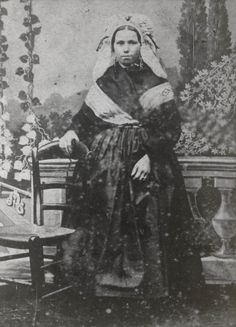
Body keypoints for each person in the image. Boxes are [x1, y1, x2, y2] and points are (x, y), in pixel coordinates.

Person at [59, 14, 204, 298]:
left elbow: (171, 128)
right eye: (120, 43)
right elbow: (85, 121)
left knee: (148, 215)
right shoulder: (104, 82)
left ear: (142, 44)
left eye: (131, 42)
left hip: (149, 162)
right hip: (105, 166)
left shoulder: (155, 83)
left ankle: (151, 287)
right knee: (102, 213)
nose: (125, 48)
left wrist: (149, 156)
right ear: (112, 47)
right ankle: (100, 286)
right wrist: (71, 133)